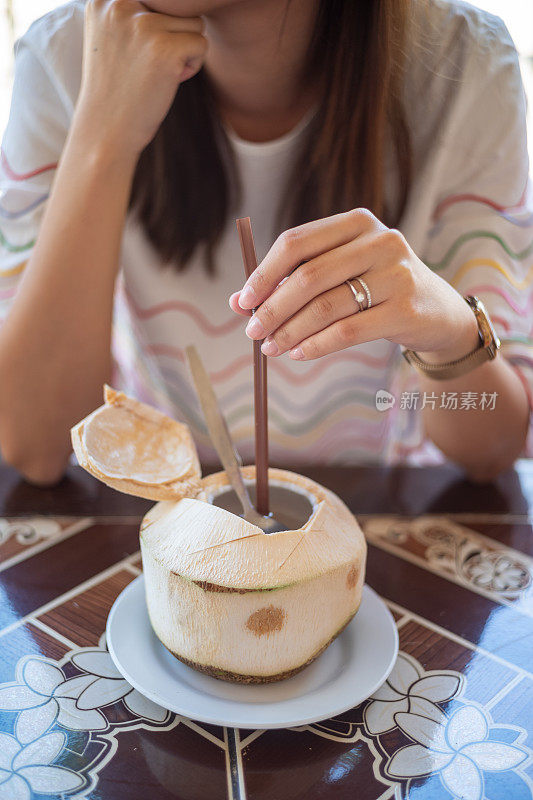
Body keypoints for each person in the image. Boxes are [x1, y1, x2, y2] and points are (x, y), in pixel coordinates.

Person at [0, 0, 531, 484]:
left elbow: (493, 449)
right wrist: (101, 135)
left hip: (378, 521)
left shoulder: (464, 64)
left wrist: (449, 330)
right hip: (163, 514)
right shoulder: (65, 58)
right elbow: (33, 446)